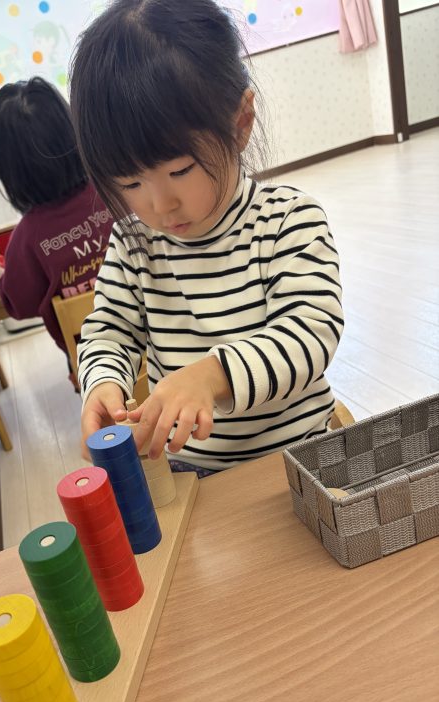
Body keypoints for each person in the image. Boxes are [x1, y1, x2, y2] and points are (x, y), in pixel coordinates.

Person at [69, 0, 344, 475]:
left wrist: (212, 375)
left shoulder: (287, 220)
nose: (160, 205)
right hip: (190, 475)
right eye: (130, 183)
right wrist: (103, 384)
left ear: (240, 123)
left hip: (301, 462)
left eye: (180, 170)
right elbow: (110, 330)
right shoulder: (134, 245)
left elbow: (310, 332)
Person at [0, 77, 113, 386]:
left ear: (8, 171)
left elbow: (20, 305)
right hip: (161, 334)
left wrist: (2, 277)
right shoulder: (116, 192)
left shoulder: (26, 239)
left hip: (94, 364)